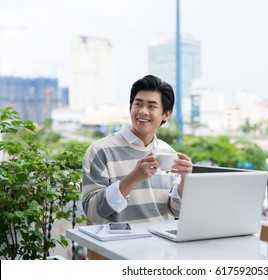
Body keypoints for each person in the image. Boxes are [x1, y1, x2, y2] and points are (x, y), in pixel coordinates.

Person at [82, 75, 193, 225]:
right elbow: (93, 212)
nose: (143, 111)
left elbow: (176, 211)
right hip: (118, 245)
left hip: (161, 244)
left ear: (166, 114)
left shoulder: (168, 152)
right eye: (138, 104)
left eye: (151, 106)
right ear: (130, 108)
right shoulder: (100, 151)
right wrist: (133, 178)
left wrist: (186, 180)